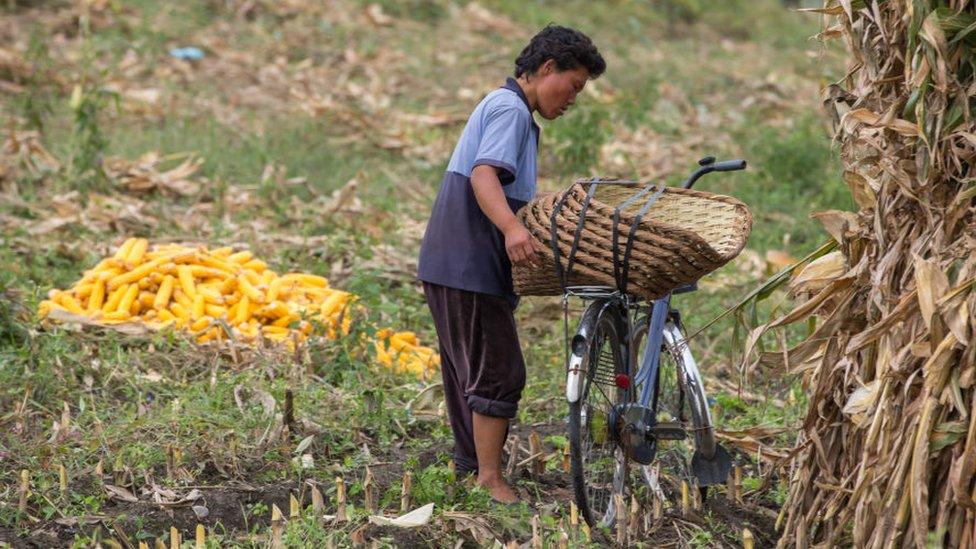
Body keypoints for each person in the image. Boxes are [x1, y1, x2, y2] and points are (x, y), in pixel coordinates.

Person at [417, 25, 605, 504]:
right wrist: (513, 230)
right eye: (574, 86)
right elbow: (484, 175)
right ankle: (490, 479)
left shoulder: (504, 106)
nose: (572, 100)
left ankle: (468, 471)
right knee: (499, 371)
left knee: (469, 371)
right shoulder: (510, 109)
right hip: (468, 261)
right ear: (547, 69)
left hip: (450, 261)